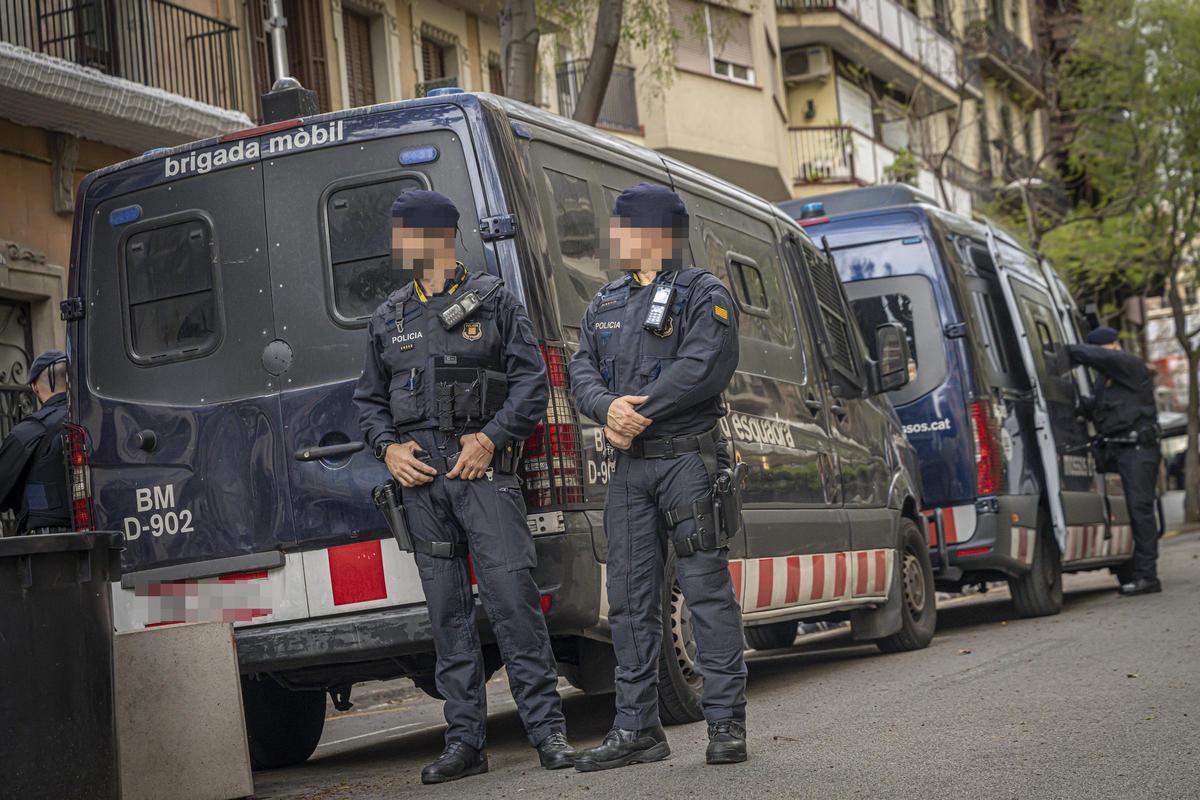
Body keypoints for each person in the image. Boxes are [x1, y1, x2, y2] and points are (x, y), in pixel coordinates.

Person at [353, 190, 574, 783]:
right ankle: (464, 744)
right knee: (447, 614)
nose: (398, 245)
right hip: (423, 484)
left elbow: (532, 386)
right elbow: (369, 402)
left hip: (482, 474)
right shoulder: (389, 315)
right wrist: (389, 449)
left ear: (439, 239)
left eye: (406, 233)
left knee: (513, 604)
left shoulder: (494, 301)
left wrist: (492, 439)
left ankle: (548, 732)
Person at [568, 183, 748, 770]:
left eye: (620, 226)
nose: (612, 237)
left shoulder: (704, 292)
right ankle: (638, 730)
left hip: (689, 462)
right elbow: (581, 372)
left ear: (651, 233)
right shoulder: (605, 302)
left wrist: (636, 411)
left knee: (705, 590)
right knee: (628, 598)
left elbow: (704, 366)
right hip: (630, 470)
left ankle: (724, 723)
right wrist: (606, 409)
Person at [1065, 326, 1162, 595]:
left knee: (1140, 509)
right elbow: (1096, 406)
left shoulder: (1128, 364)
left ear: (1112, 346)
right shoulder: (1105, 377)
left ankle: (1148, 577)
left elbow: (1101, 358)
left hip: (1139, 450)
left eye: (1101, 351)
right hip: (1119, 449)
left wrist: (1066, 352)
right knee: (1132, 510)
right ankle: (1137, 571)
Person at [0, 350, 71, 535]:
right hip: (109, 534)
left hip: (49, 542)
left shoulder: (28, 432)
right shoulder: (99, 418)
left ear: (34, 387)